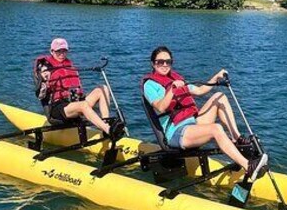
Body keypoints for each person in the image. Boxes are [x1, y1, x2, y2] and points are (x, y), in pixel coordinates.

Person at [142, 46, 268, 181]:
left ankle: (237, 138)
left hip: (192, 123)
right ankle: (248, 167)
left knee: (220, 96)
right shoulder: (149, 85)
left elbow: (200, 90)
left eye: (168, 61)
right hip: (176, 132)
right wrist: (172, 90)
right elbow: (160, 107)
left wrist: (216, 78)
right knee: (216, 128)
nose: (165, 65)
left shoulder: (175, 79)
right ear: (153, 63)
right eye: (160, 62)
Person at [34, 38, 125, 141]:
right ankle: (109, 131)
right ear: (52, 51)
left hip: (75, 103)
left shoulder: (69, 65)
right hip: (58, 108)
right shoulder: (46, 68)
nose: (62, 54)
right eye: (58, 51)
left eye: (64, 50)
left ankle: (105, 124)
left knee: (103, 89)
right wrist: (43, 81)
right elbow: (39, 95)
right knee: (83, 105)